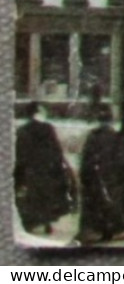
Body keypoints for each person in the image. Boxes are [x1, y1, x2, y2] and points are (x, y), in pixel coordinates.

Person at [77, 105, 124, 243]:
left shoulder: (93, 135)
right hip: (111, 175)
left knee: (97, 203)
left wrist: (84, 175)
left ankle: (99, 229)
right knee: (110, 202)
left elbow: (87, 157)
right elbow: (123, 159)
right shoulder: (115, 136)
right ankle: (109, 229)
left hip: (96, 175)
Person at [13, 101, 74, 235]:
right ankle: (47, 223)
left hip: (32, 169)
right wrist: (59, 165)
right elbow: (56, 149)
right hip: (47, 168)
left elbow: (20, 153)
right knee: (47, 196)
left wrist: (19, 172)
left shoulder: (22, 131)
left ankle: (30, 224)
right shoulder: (48, 128)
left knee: (32, 197)